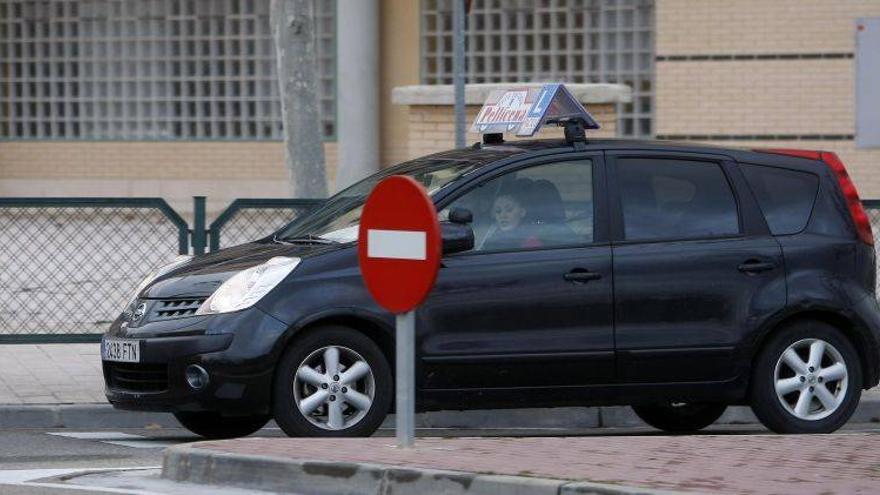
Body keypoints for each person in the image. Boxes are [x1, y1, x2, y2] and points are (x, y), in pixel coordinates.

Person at [480, 186, 542, 251]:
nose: (503, 215)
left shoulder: (530, 241)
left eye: (509, 210)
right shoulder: (490, 237)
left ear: (522, 212)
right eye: (498, 211)